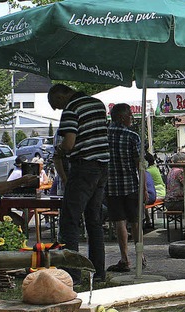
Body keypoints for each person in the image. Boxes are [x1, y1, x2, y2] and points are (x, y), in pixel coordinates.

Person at [48, 83, 109, 284]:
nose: (57, 109)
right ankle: (98, 272)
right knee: (94, 221)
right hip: (102, 166)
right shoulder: (98, 104)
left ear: (59, 96)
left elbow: (69, 143)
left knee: (69, 221)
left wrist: (59, 151)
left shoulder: (71, 109)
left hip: (83, 167)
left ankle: (72, 274)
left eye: (55, 104)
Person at [103, 103, 142, 273]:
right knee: (135, 221)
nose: (132, 119)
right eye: (130, 116)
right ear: (122, 117)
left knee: (120, 222)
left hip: (111, 186)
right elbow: (139, 164)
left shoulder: (103, 135)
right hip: (131, 184)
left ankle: (124, 258)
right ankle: (140, 256)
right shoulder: (133, 137)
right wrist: (143, 187)